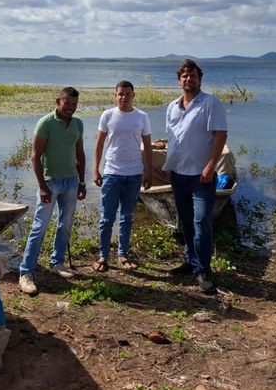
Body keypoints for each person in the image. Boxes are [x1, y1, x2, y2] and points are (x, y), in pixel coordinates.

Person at [163, 59, 228, 295]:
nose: (188, 79)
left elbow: (220, 135)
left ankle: (203, 270)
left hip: (202, 175)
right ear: (179, 80)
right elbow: (173, 138)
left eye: (193, 76)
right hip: (178, 173)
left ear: (200, 79)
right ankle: (190, 260)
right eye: (184, 76)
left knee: (202, 222)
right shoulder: (172, 106)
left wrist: (211, 166)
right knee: (186, 222)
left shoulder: (210, 103)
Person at [18, 87, 86, 296]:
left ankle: (57, 263)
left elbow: (80, 154)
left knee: (65, 225)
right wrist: (42, 186)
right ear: (58, 102)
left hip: (71, 181)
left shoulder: (77, 124)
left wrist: (82, 182)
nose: (70, 108)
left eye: (74, 105)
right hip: (51, 183)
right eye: (67, 103)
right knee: (39, 226)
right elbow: (35, 157)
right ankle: (26, 273)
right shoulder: (46, 123)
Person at [92, 81, 153, 272]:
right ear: (115, 95)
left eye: (127, 94)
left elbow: (148, 146)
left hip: (134, 174)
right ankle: (103, 256)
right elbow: (99, 143)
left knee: (127, 217)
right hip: (112, 173)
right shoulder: (108, 115)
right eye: (120, 94)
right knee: (106, 218)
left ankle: (122, 254)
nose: (124, 98)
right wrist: (95, 169)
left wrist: (148, 171)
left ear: (133, 95)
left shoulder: (142, 117)